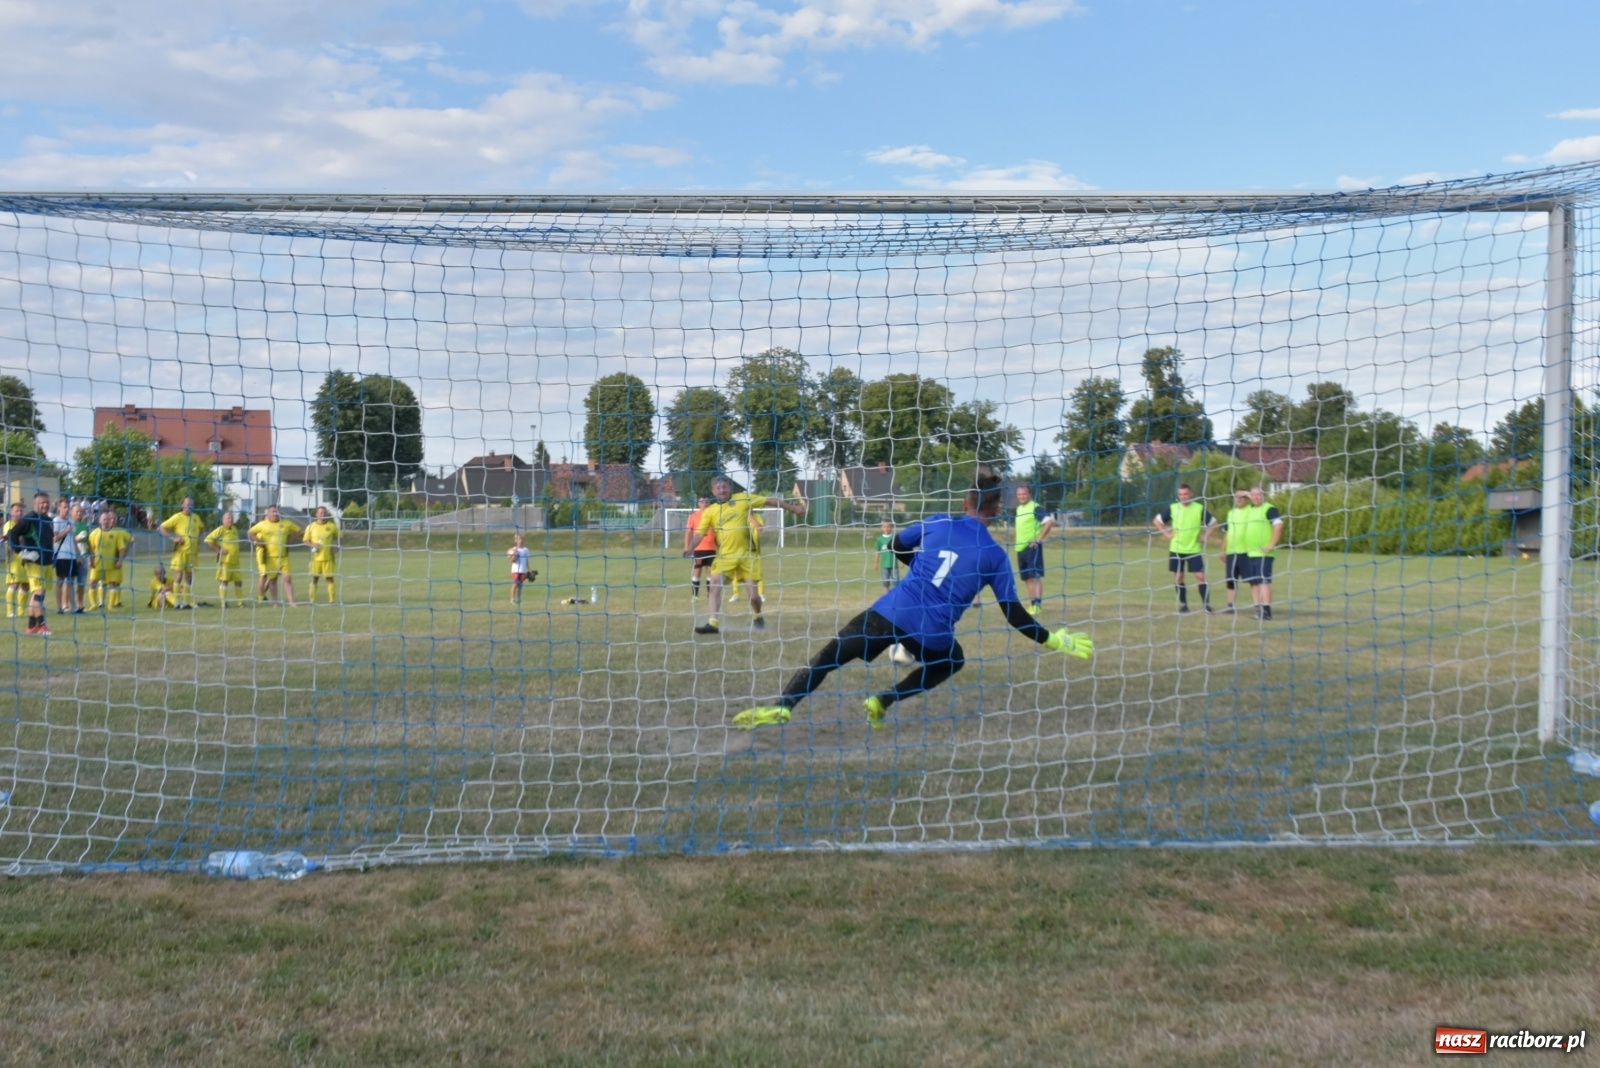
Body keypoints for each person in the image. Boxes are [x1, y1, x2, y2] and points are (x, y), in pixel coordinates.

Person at [734, 470, 1094, 730]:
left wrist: (918, 565)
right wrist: (1055, 640)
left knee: (830, 656)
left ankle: (784, 706)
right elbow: (1015, 616)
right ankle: (883, 700)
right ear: (997, 509)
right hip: (933, 634)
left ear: (966, 502)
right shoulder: (996, 556)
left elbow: (895, 546)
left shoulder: (937, 523)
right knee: (951, 661)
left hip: (892, 610)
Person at [691, 477, 804, 635]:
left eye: (724, 487)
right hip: (725, 556)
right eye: (718, 488)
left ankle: (757, 616)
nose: (722, 490)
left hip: (747, 556)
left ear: (729, 489)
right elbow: (699, 533)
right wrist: (691, 547)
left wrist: (793, 509)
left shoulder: (743, 498)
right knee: (715, 584)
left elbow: (770, 501)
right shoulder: (710, 511)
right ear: (713, 492)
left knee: (754, 597)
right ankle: (713, 623)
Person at [1152, 483, 1217, 614]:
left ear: (1191, 494)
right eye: (1180, 494)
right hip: (1176, 549)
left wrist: (1205, 536)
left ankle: (1206, 605)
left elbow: (1214, 523)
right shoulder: (1173, 508)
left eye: (1185, 494)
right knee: (1179, 577)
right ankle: (1184, 605)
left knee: (1200, 577)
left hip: (1193, 549)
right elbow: (1157, 521)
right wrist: (1167, 534)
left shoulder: (1199, 508)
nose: (1183, 497)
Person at [7, 491, 56, 635]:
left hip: (46, 562)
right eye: (42, 502)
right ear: (35, 504)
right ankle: (42, 625)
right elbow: (12, 534)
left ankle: (31, 626)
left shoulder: (47, 519)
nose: (45, 505)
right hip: (34, 562)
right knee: (38, 593)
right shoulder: (30, 517)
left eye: (47, 502)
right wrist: (21, 552)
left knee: (38, 594)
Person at [1238, 484, 1285, 620]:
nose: (1256, 497)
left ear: (1264, 495)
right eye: (1254, 495)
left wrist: (1271, 545)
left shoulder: (1269, 509)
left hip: (1264, 554)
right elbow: (1240, 493)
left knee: (1264, 581)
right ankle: (1258, 609)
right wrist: (1248, 493)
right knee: (1253, 582)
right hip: (1250, 553)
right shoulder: (1250, 509)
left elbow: (1279, 525)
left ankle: (1266, 611)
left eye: (1259, 494)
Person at [1012, 485, 1056, 615]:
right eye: (1019, 495)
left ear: (1029, 494)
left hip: (1032, 548)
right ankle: (1032, 605)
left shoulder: (1035, 507)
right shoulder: (1019, 509)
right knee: (1027, 578)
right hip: (1020, 548)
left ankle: (1037, 605)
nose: (1021, 497)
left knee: (1034, 577)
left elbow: (1049, 522)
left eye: (1024, 494)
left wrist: (1039, 538)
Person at [248, 504, 302, 607]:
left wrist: (290, 541)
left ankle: (292, 602)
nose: (275, 513)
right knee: (272, 580)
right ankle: (275, 603)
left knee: (287, 578)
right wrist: (259, 542)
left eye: (276, 511)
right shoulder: (263, 524)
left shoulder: (286, 523)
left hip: (284, 557)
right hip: (270, 558)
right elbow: (250, 532)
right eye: (272, 511)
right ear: (268, 514)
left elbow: (298, 531)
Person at [158, 497, 205, 609]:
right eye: (187, 504)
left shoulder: (195, 517)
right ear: (182, 505)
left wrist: (198, 538)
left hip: (192, 553)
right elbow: (162, 527)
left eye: (191, 504)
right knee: (178, 576)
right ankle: (177, 601)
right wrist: (173, 538)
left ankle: (187, 602)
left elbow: (202, 528)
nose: (189, 506)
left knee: (189, 577)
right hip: (180, 552)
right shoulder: (177, 517)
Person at [87, 507, 133, 610]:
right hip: (97, 563)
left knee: (113, 583)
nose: (106, 521)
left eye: (108, 519)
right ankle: (94, 604)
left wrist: (120, 560)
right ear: (99, 520)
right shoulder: (95, 533)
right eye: (104, 519)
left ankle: (111, 605)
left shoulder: (116, 533)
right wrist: (90, 560)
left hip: (111, 564)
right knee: (92, 582)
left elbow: (121, 548)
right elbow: (90, 548)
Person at [205, 511, 247, 608]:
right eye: (228, 518)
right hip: (225, 562)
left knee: (239, 581)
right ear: (223, 520)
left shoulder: (234, 529)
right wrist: (219, 550)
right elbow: (208, 539)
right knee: (225, 581)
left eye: (231, 518)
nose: (230, 520)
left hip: (235, 561)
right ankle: (223, 603)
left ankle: (240, 603)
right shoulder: (221, 530)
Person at [52, 498, 88, 614]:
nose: (66, 509)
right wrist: (66, 530)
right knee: (60, 581)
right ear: (59, 508)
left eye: (68, 507)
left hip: (71, 556)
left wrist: (78, 555)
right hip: (61, 556)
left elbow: (73, 540)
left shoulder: (71, 522)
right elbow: (55, 538)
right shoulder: (56, 521)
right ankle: (59, 607)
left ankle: (74, 607)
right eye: (64, 507)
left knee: (71, 581)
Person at [1219, 488, 1251, 612]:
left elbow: (1259, 500)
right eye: (1237, 496)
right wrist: (1223, 549)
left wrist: (1247, 493)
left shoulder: (1251, 510)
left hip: (1246, 552)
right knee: (1231, 579)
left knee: (1252, 580)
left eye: (1242, 497)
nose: (1239, 499)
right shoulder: (1231, 513)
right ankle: (1230, 605)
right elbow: (1228, 533)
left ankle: (1259, 605)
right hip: (1232, 552)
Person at [303, 506, 341, 604]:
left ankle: (332, 600)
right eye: (320, 513)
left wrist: (336, 547)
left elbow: (339, 538)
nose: (322, 515)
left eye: (324, 513)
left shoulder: (332, 526)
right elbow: (305, 541)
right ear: (316, 514)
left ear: (326, 514)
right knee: (314, 579)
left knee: (329, 578)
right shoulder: (311, 527)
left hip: (328, 557)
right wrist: (313, 544)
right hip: (315, 558)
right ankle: (312, 600)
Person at [682, 496, 717, 598]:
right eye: (702, 502)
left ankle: (709, 594)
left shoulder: (713, 515)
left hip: (711, 548)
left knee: (711, 572)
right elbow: (688, 532)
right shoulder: (693, 516)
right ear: (698, 504)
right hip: (698, 549)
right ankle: (695, 596)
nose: (704, 504)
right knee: (697, 570)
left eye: (706, 502)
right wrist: (686, 547)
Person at [5, 501, 26, 619]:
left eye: (21, 511)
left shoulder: (24, 524)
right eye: (16, 511)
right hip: (14, 560)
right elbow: (11, 541)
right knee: (14, 584)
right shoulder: (9, 525)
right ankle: (9, 611)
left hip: (25, 559)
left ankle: (21, 612)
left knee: (25, 585)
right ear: (11, 513)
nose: (19, 513)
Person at [506, 533, 538, 604]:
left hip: (522, 570)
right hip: (516, 570)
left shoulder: (525, 550)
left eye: (522, 539)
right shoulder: (514, 550)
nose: (521, 541)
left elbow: (526, 560)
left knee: (520, 585)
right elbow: (510, 559)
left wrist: (529, 569)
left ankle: (519, 599)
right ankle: (512, 599)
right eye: (519, 539)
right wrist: (513, 557)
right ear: (515, 540)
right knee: (515, 584)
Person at [874, 520, 899, 591]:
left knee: (896, 582)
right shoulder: (879, 539)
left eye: (888, 527)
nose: (886, 528)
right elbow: (877, 552)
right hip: (884, 565)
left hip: (894, 565)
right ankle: (886, 597)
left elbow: (899, 550)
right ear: (881, 528)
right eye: (884, 527)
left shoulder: (895, 538)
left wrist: (902, 562)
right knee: (885, 582)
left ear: (891, 528)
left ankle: (896, 598)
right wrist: (876, 563)